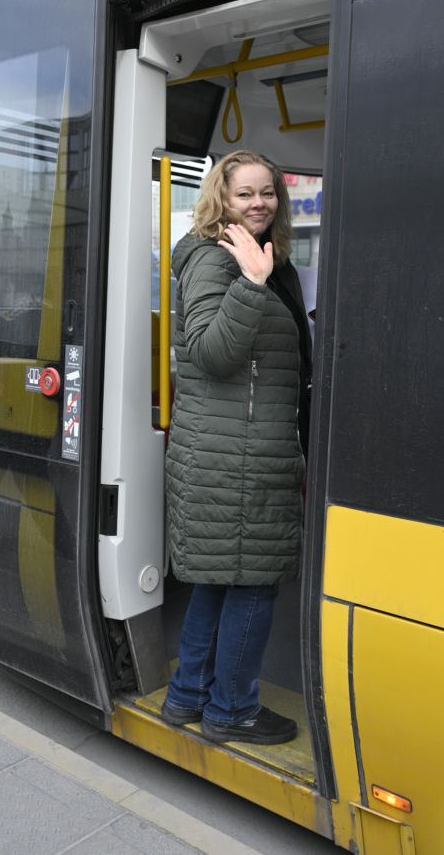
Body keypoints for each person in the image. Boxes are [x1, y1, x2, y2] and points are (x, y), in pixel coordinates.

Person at [162, 149, 312, 745]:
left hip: (242, 451)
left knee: (220, 581)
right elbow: (213, 353)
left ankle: (187, 698)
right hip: (236, 461)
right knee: (251, 584)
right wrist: (250, 284)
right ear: (220, 198)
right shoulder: (213, 259)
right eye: (245, 193)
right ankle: (231, 712)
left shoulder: (269, 262)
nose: (258, 203)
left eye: (267, 192)